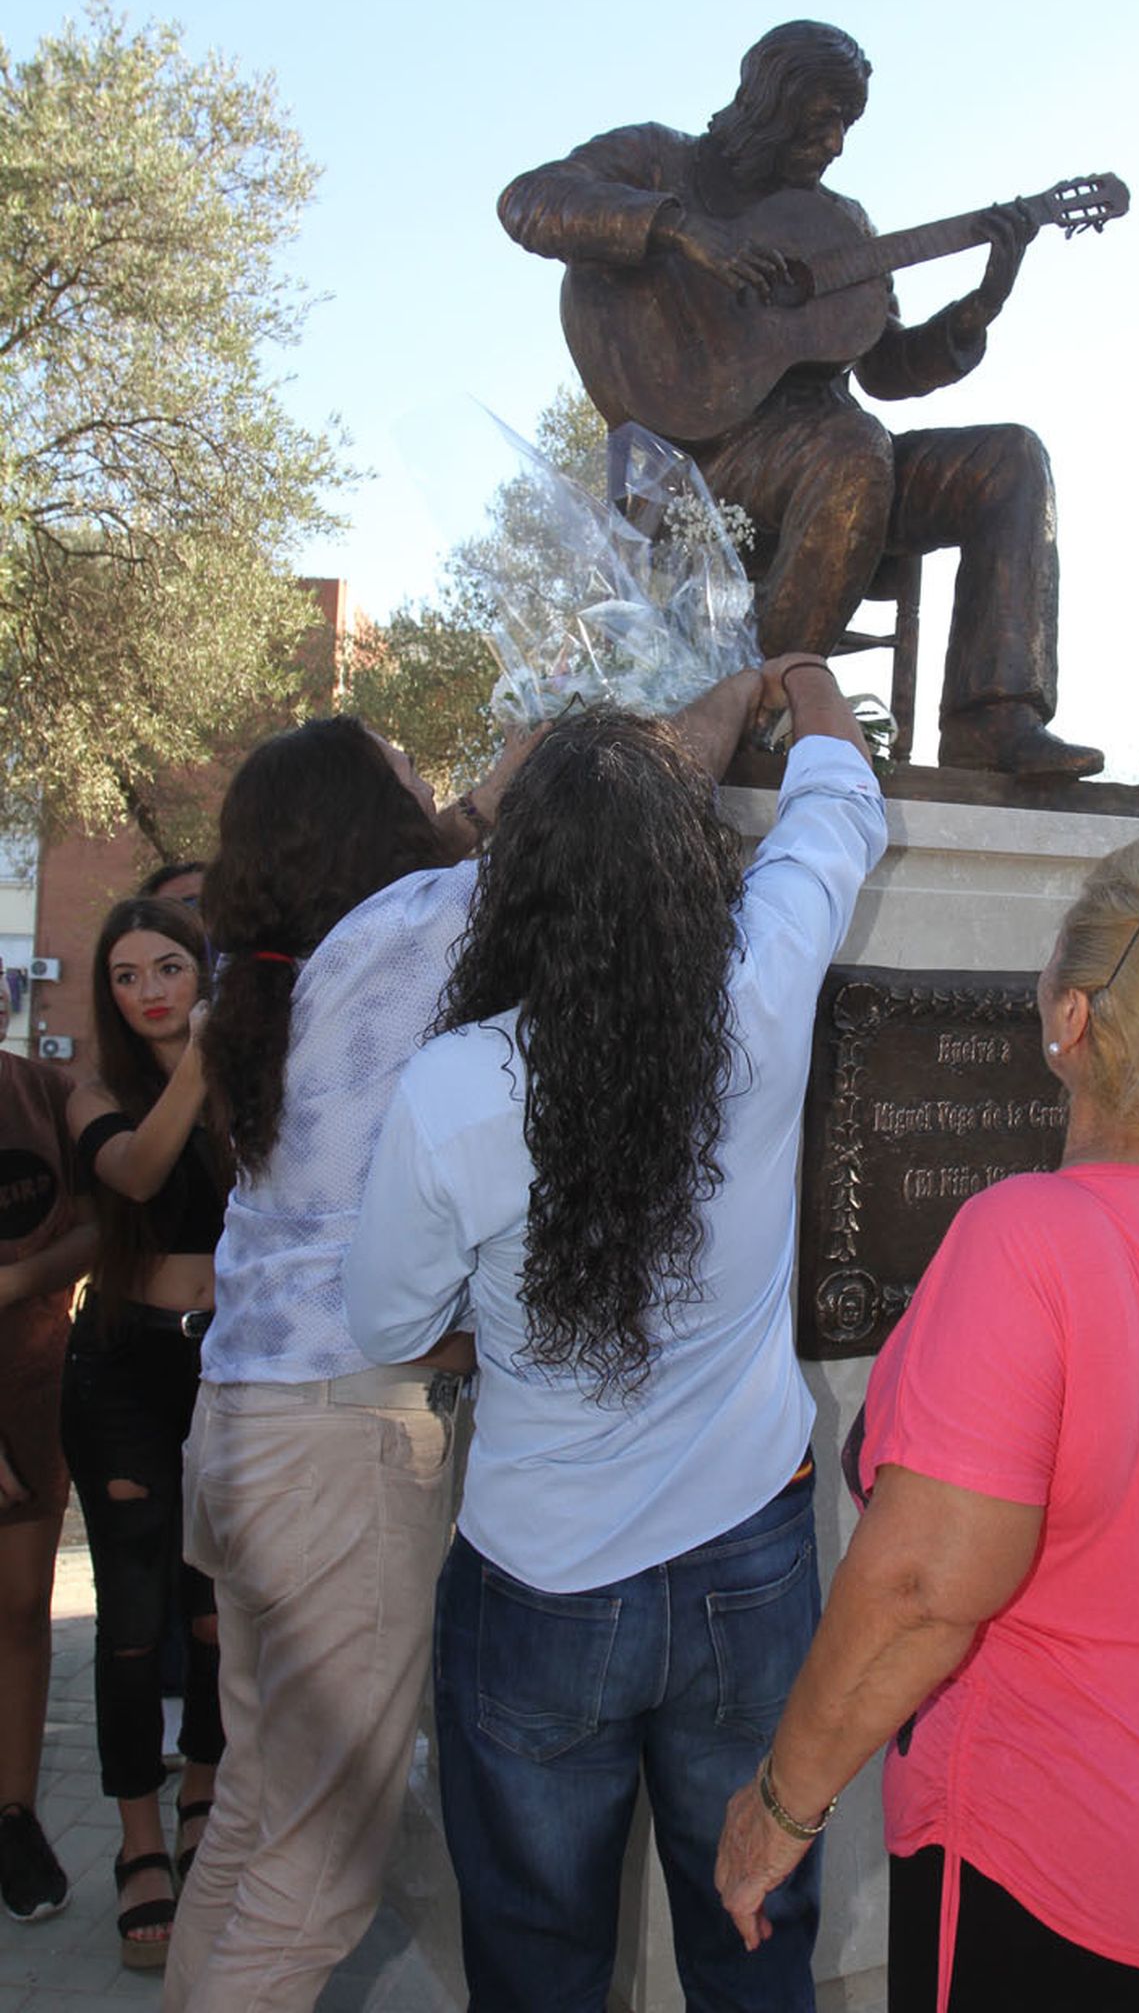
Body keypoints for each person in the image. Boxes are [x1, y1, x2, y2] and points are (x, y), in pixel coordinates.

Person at [167, 687, 759, 2013]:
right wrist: (744, 687)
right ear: (359, 818)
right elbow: (615, 806)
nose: (423, 773)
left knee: (260, 1813)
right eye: (396, 765)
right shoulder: (397, 934)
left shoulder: (293, 965)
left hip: (250, 1416)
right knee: (317, 1876)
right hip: (345, 1435)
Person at [714, 831, 1139, 2011]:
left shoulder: (1029, 1241)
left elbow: (918, 1589)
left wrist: (778, 1806)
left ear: (1070, 1017)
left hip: (1071, 1862)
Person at [344, 659, 885, 2013]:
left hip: (539, 1582)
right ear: (687, 864)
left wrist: (509, 1334)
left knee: (536, 1959)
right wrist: (808, 689)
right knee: (753, 1931)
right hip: (748, 1575)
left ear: (513, 886)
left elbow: (389, 1321)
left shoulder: (455, 1085)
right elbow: (838, 810)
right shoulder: (754, 998)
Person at [499, 18, 1100, 778]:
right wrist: (682, 234)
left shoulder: (839, 224)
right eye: (823, 122)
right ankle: (759, 714)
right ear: (770, 107)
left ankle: (993, 719)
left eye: (847, 125)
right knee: (854, 451)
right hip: (696, 467)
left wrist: (976, 310)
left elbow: (886, 366)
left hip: (835, 461)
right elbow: (529, 200)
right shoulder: (659, 161)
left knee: (1009, 458)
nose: (837, 144)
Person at [57, 900, 226, 1968]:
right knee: (131, 1618)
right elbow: (137, 1175)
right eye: (127, 974)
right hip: (121, 1367)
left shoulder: (253, 1077)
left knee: (216, 1610)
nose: (150, 989)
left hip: (232, 1366)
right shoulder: (97, 1089)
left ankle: (207, 1789)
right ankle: (136, 1842)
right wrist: (203, 1060)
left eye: (170, 966)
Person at [0, 970, 94, 1925]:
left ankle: (15, 1816)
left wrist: (19, 1276)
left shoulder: (46, 1094)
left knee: (23, 1606)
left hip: (29, 1388)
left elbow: (106, 1223)